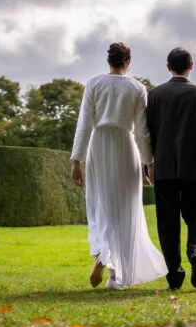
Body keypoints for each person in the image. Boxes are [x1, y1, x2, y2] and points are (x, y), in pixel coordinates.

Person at [70, 42, 168, 289]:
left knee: (101, 205)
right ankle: (117, 274)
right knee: (126, 209)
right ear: (128, 62)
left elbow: (84, 124)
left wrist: (76, 161)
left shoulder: (94, 83)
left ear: (109, 62)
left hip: (99, 145)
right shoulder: (137, 88)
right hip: (125, 146)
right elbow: (142, 131)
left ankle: (103, 256)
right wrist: (149, 164)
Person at [145, 47, 196, 290]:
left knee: (167, 223)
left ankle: (174, 276)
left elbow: (149, 133)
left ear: (168, 66)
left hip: (165, 168)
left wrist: (149, 164)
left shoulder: (155, 95)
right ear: (192, 65)